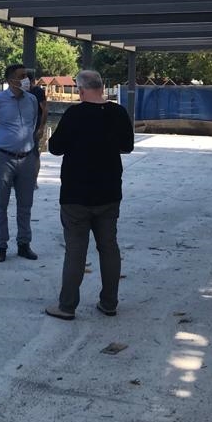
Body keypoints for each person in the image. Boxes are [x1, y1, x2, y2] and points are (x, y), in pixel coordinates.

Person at [44, 70, 134, 320]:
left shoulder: (74, 114)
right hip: (109, 192)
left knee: (75, 251)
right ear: (102, 87)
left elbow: (55, 148)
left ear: (81, 90)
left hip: (76, 194)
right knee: (109, 247)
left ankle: (67, 306)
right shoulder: (118, 113)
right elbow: (127, 146)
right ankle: (109, 302)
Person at [0, 63, 41, 262]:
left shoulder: (32, 100)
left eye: (27, 76)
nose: (26, 80)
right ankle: (1, 245)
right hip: (3, 159)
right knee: (1, 204)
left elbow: (33, 124)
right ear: (10, 80)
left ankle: (24, 244)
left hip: (27, 158)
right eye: (22, 76)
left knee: (26, 205)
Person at [27, 70, 49, 190]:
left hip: (35, 124)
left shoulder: (38, 91)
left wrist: (41, 127)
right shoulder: (21, 91)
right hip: (23, 125)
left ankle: (34, 180)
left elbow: (44, 110)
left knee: (34, 152)